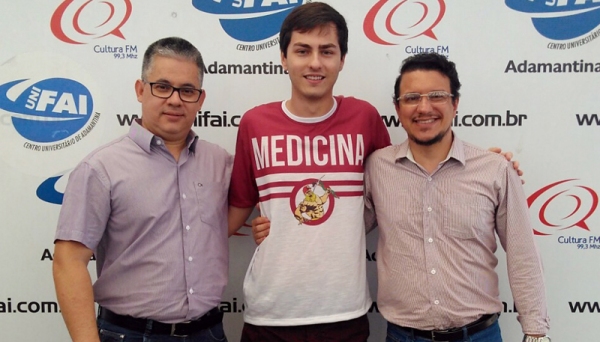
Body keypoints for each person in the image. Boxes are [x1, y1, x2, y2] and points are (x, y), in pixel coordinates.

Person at [227, 2, 391, 341]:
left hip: (344, 313)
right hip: (270, 315)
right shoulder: (255, 123)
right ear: (284, 58)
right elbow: (235, 211)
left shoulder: (365, 118)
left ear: (342, 59)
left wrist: (471, 165)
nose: (315, 63)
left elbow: (402, 184)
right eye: (302, 50)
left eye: (327, 51)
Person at [53, 37, 232, 342]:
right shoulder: (101, 168)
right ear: (140, 89)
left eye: (187, 91)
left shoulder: (221, 162)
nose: (175, 100)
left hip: (209, 332)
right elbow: (68, 262)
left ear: (200, 99)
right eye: (162, 86)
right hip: (132, 335)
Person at [363, 52, 550, 342]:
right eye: (412, 98)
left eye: (436, 95)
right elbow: (346, 228)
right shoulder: (376, 168)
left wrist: (536, 333)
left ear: (455, 104)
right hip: (403, 337)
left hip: (479, 335)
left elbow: (522, 254)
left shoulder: (494, 169)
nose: (424, 108)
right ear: (397, 109)